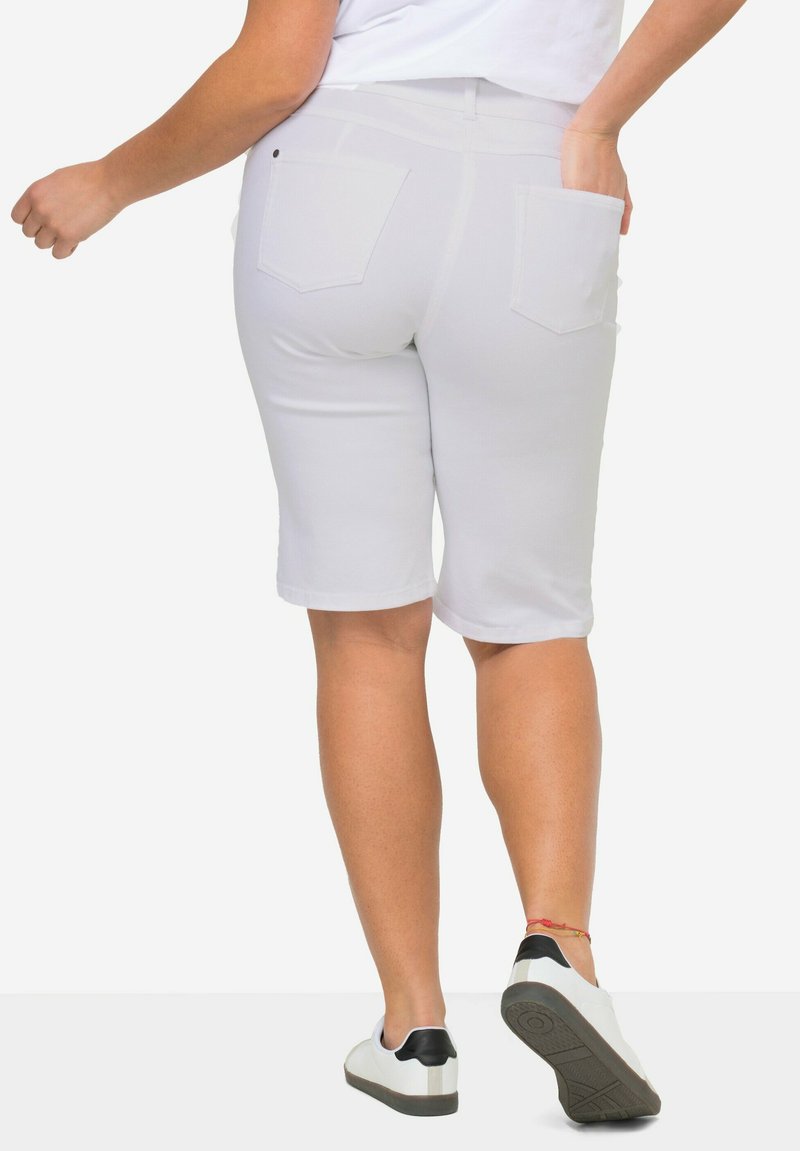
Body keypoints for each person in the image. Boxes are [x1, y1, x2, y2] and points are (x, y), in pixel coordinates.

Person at [10, 0, 749, 1124]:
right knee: (530, 616)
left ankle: (414, 1031)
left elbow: (276, 68)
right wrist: (603, 119)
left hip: (336, 178)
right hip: (542, 173)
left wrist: (110, 180)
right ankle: (557, 947)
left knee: (366, 624)